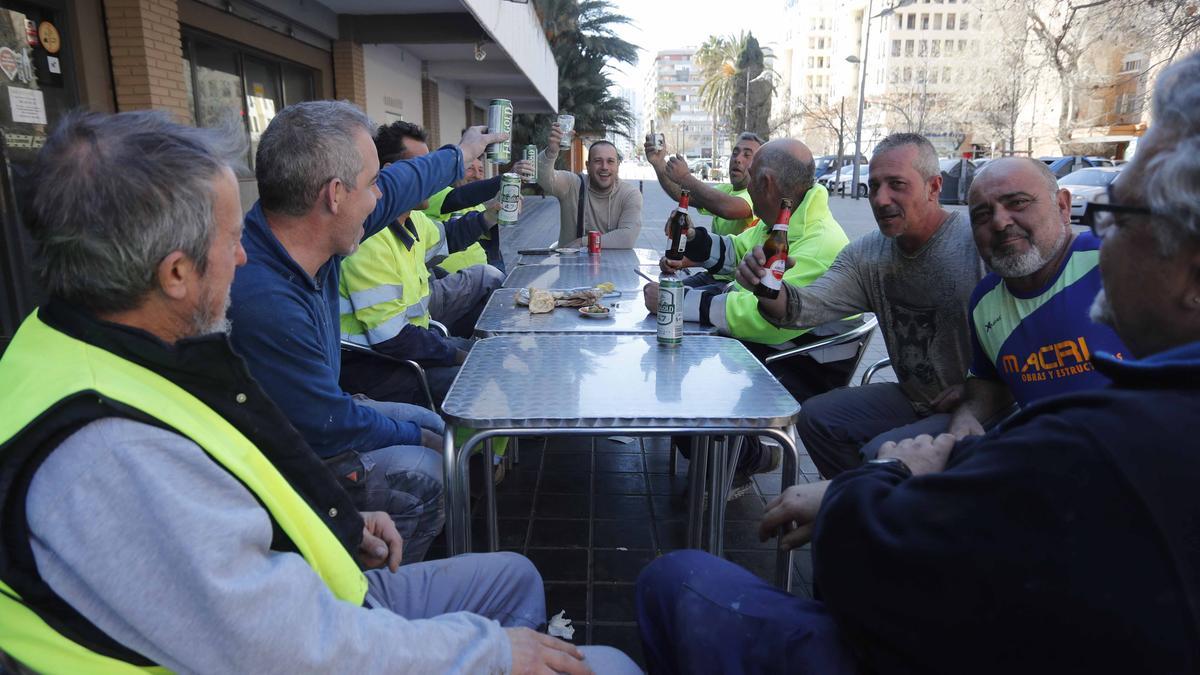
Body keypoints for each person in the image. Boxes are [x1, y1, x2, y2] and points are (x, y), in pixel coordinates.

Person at [0, 110, 639, 674]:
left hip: (316, 571)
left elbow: (235, 479)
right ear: (175, 273)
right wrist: (492, 656)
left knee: (517, 578)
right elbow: (292, 647)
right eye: (229, 242)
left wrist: (325, 515)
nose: (243, 256)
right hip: (323, 625)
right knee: (606, 663)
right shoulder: (109, 457)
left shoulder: (93, 345)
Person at [636, 51, 1200, 675]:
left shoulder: (1092, 374)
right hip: (934, 406)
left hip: (987, 474)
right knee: (827, 421)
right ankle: (866, 541)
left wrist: (907, 474)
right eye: (985, 213)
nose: (1000, 226)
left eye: (1117, 216)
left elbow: (1018, 429)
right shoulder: (969, 290)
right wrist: (771, 295)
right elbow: (811, 308)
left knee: (681, 576)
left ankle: (871, 548)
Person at [227, 101, 495, 563]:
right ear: (335, 194)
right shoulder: (266, 301)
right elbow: (326, 424)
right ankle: (371, 601)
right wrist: (413, 438)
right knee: (428, 469)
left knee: (436, 425)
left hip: (321, 413)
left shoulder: (309, 229)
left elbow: (401, 184)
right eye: (371, 183)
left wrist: (462, 153)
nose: (380, 198)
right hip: (292, 457)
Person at [734, 133, 986, 478]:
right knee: (818, 418)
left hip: (983, 406)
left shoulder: (977, 244)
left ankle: (881, 507)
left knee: (878, 457)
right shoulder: (868, 254)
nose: (881, 199)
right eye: (873, 186)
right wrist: (766, 286)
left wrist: (983, 389)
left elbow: (1027, 321)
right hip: (914, 398)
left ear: (934, 186)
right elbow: (801, 309)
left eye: (897, 185)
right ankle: (861, 509)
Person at [641, 139, 857, 496]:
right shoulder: (783, 219)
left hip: (800, 365)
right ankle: (732, 455)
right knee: (678, 377)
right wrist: (693, 238)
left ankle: (751, 455)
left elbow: (767, 321)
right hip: (773, 348)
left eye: (752, 174)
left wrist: (677, 302)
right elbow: (735, 253)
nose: (747, 182)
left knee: (687, 392)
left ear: (766, 183)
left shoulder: (818, 243)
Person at [948, 157, 1128, 437]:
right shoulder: (984, 301)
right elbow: (987, 382)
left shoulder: (1118, 261)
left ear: (1062, 206)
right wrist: (967, 416)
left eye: (1018, 202)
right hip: (1047, 464)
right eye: (982, 215)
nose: (999, 222)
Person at [537, 123, 643, 248]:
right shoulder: (572, 184)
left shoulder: (629, 194)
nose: (604, 167)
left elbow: (627, 238)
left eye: (610, 161)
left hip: (613, 265)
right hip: (569, 265)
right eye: (598, 161)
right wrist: (551, 152)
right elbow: (542, 177)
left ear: (617, 165)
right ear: (588, 165)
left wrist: (582, 242)